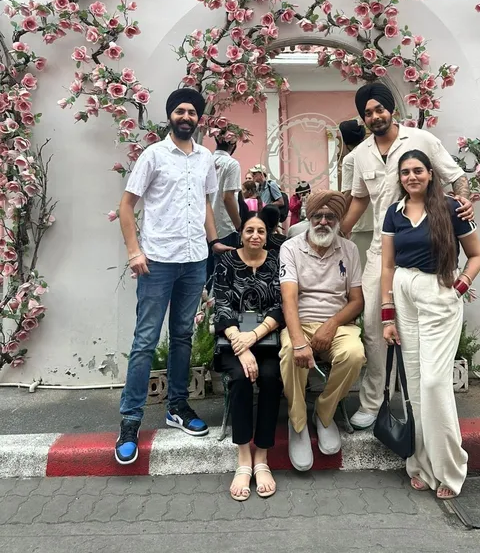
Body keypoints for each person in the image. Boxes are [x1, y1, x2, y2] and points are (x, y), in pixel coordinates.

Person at [341, 82, 474, 430]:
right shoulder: (360, 155)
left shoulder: (421, 140)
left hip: (428, 247)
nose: (375, 116)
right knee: (374, 325)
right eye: (368, 113)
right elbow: (359, 199)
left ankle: (425, 401)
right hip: (382, 250)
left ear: (391, 110)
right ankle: (374, 402)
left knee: (423, 326)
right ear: (363, 118)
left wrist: (464, 199)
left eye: (379, 109)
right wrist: (339, 232)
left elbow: (456, 177)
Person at [116, 88, 231, 464]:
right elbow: (127, 206)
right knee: (145, 340)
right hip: (158, 262)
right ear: (170, 116)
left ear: (199, 119)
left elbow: (205, 204)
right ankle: (130, 420)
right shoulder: (153, 155)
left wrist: (213, 241)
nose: (186, 116)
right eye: (180, 111)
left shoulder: (205, 159)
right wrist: (134, 251)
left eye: (192, 112)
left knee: (182, 336)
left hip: (194, 261)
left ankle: (177, 407)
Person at [381, 150, 480, 499]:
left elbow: (477, 254)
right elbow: (387, 266)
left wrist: (460, 287)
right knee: (413, 384)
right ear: (400, 178)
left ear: (429, 174)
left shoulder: (453, 208)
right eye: (405, 172)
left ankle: (450, 470)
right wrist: (387, 314)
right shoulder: (394, 213)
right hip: (403, 291)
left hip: (438, 292)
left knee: (434, 383)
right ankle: (421, 465)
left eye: (418, 170)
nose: (411, 177)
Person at [279, 190, 365, 471]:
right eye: (317, 216)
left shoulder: (349, 250)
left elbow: (357, 301)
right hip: (300, 322)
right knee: (290, 353)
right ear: (308, 217)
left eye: (330, 216)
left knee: (354, 354)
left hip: (337, 324)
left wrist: (331, 324)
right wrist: (299, 341)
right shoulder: (290, 248)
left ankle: (325, 414)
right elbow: (288, 298)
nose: (323, 222)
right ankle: (298, 423)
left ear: (338, 220)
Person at [213, 211, 284, 501]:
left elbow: (280, 305)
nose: (255, 235)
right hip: (232, 339)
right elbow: (221, 306)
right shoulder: (226, 262)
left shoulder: (276, 261)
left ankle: (262, 457)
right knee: (241, 378)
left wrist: (252, 338)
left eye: (261, 231)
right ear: (240, 234)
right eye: (249, 230)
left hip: (266, 339)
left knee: (270, 377)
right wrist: (240, 346)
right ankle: (244, 458)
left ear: (267, 236)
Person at [208, 135, 241, 286]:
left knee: (207, 275)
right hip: (225, 228)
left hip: (204, 228)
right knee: (224, 278)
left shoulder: (206, 161)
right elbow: (228, 197)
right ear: (233, 143)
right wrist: (239, 226)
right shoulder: (231, 164)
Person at [339, 120, 373, 269]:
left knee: (360, 268)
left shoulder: (350, 159)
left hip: (360, 222)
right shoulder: (373, 153)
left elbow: (348, 193)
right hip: (379, 219)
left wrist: (339, 218)